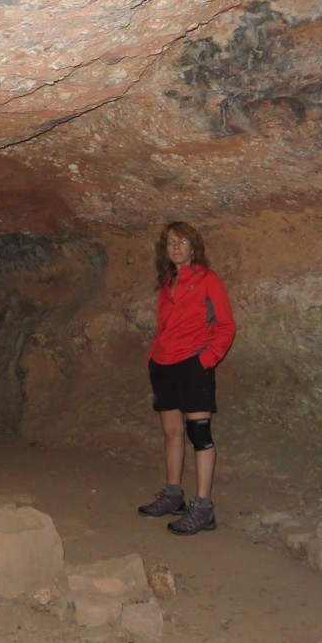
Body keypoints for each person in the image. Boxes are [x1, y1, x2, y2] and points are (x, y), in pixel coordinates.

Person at [138, 221, 236, 536]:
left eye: (182, 241)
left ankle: (204, 508)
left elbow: (225, 325)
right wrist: (153, 357)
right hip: (164, 365)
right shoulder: (166, 285)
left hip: (193, 364)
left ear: (194, 247)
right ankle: (173, 495)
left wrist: (204, 360)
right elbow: (165, 327)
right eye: (170, 242)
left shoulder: (208, 281)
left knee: (199, 434)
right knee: (171, 432)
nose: (176, 246)